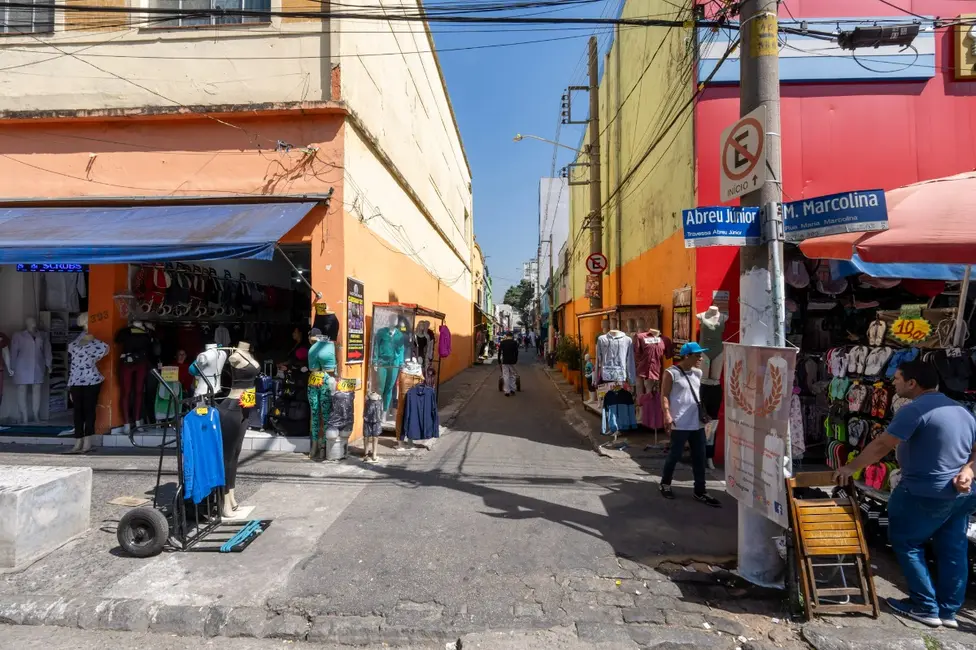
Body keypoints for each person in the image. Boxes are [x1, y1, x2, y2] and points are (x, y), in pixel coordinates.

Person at [834, 360, 976, 629]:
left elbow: (882, 445)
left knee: (907, 543)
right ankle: (948, 612)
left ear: (912, 383)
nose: (893, 383)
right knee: (953, 550)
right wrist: (968, 470)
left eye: (898, 379)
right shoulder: (961, 410)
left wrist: (851, 467)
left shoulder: (915, 410)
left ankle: (925, 607)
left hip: (925, 491)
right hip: (961, 494)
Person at [659, 342, 721, 507]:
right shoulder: (671, 373)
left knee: (700, 458)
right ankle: (665, 484)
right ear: (687, 356)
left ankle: (700, 490)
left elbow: (697, 396)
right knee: (675, 455)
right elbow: (664, 395)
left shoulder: (698, 373)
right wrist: (667, 414)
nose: (701, 358)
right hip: (679, 422)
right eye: (697, 355)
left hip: (697, 423)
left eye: (701, 355)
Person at [497, 331, 519, 396]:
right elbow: (516, 352)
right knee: (512, 375)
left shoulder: (503, 342)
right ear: (511, 336)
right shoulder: (514, 343)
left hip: (505, 361)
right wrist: (516, 359)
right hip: (512, 361)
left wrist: (499, 360)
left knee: (505, 375)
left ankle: (507, 391)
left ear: (506, 336)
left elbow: (499, 352)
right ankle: (512, 389)